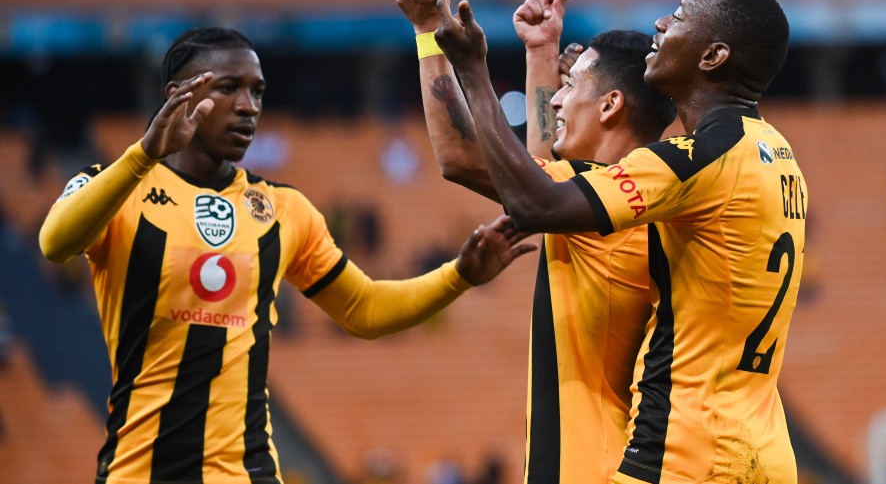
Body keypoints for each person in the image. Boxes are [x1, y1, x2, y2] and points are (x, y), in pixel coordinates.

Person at [37, 26, 537, 484]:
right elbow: (54, 243)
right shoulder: (116, 187)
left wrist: (459, 276)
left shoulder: (282, 209)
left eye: (256, 91)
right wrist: (143, 154)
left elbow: (363, 309)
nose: (248, 105)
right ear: (179, 96)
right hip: (139, 472)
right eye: (228, 87)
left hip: (247, 473)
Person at [432, 0, 806, 484]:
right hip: (760, 447)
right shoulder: (777, 157)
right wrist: (543, 60)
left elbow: (530, 195)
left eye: (677, 17)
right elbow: (551, 174)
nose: (659, 23)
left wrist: (471, 68)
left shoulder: (689, 163)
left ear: (713, 55)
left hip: (684, 453)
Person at [397, 0, 676, 483]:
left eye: (575, 86)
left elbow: (460, 155)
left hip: (587, 468)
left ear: (612, 104)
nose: (561, 99)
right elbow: (541, 169)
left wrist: (429, 35)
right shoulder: (635, 199)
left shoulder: (596, 206)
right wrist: (543, 54)